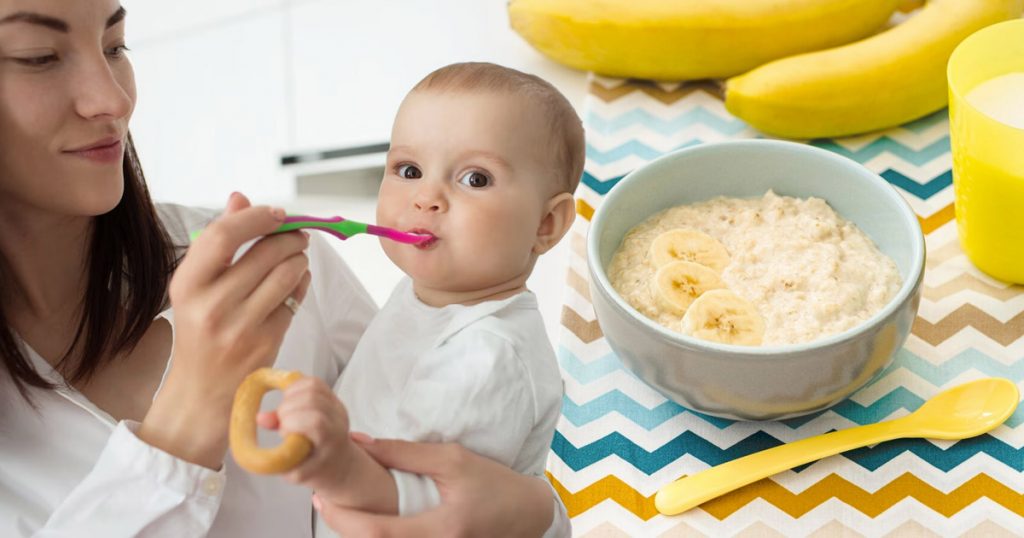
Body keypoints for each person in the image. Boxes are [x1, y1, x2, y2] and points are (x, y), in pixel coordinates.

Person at [0, 1, 570, 536]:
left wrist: (534, 512)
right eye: (38, 57)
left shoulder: (277, 266)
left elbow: (447, 462)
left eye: (116, 45)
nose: (112, 100)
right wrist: (185, 422)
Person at [256, 62, 584, 535]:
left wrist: (333, 463)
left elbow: (426, 500)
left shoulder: (486, 357)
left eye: (475, 179)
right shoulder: (434, 294)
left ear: (545, 225)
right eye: (409, 170)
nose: (427, 198)